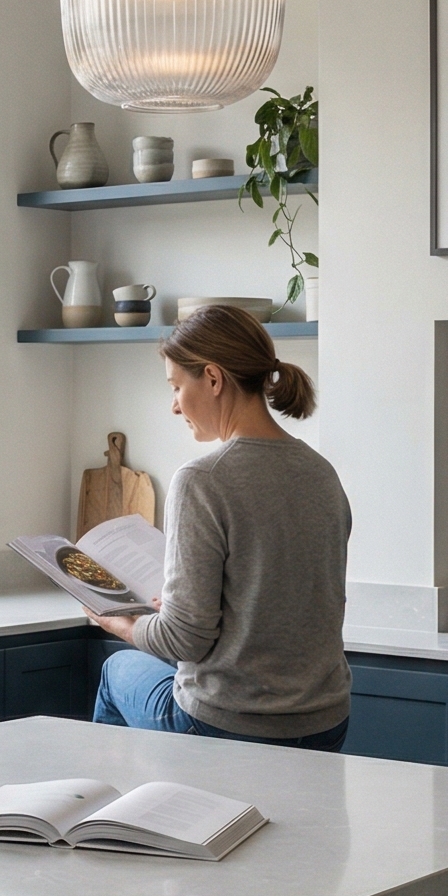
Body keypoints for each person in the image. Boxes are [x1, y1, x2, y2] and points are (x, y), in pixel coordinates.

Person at [87, 303, 351, 749]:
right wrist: (174, 611)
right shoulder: (321, 472)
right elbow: (274, 601)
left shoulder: (202, 480)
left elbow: (184, 640)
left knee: (117, 670)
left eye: (176, 386)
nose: (174, 406)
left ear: (212, 378)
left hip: (227, 727)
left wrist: (122, 624)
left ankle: (124, 798)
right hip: (325, 725)